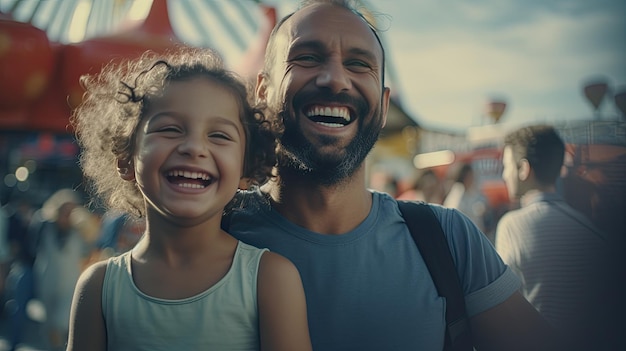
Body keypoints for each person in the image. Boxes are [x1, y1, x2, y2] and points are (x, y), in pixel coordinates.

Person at [225, 1, 561, 350]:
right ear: (263, 91)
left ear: (384, 106)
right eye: (308, 57)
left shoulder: (447, 240)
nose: (336, 80)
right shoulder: (209, 229)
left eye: (358, 64)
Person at [67, 47, 311, 351]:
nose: (194, 147)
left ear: (247, 169)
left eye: (219, 135)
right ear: (126, 159)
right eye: (170, 129)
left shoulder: (270, 279)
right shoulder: (99, 287)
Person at [495, 124, 622, 351]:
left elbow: (504, 311)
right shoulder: (589, 228)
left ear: (523, 169)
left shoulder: (512, 225)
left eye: (505, 167)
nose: (504, 175)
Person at [30, 188, 90, 351]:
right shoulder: (45, 226)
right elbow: (32, 247)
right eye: (65, 210)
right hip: (47, 280)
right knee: (49, 324)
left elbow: (92, 244)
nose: (68, 215)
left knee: (63, 322)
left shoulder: (79, 232)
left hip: (69, 284)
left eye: (72, 211)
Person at [443, 163, 492, 240]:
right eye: (469, 176)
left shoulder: (473, 191)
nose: (472, 179)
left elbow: (484, 201)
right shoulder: (457, 193)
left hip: (476, 234)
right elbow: (455, 214)